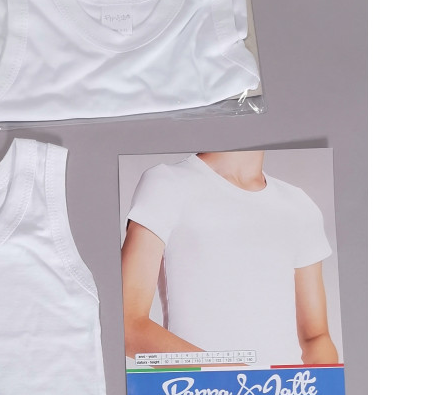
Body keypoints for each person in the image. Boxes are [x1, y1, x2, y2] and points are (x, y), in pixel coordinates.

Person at [121, 151, 339, 367]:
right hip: (206, 390)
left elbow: (316, 338)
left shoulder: (299, 204)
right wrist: (237, 381)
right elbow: (127, 325)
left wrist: (322, 387)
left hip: (287, 389)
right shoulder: (168, 183)